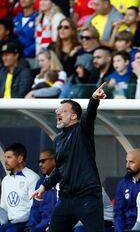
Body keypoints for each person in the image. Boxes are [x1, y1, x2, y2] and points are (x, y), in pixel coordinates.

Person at [31, 83, 108, 232]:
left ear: (74, 116)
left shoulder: (82, 130)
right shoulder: (59, 139)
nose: (58, 114)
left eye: (63, 111)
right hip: (66, 198)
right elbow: (60, 169)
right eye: (57, 111)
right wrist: (44, 186)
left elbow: (89, 116)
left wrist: (94, 99)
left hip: (88, 196)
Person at [0, 143, 40, 232]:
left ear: (20, 158)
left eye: (9, 157)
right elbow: (3, 207)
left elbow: (35, 207)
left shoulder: (32, 178)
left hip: (25, 223)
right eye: (5, 157)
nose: (5, 161)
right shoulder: (5, 180)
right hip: (9, 223)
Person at [114, 148, 140, 232]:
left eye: (131, 162)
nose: (127, 165)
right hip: (127, 228)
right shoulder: (122, 184)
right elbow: (118, 213)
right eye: (127, 161)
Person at [27, 149, 57, 232]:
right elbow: (35, 208)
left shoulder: (64, 182)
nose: (40, 164)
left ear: (54, 160)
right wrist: (31, 227)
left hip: (59, 225)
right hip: (41, 226)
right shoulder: (40, 183)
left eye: (43, 161)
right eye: (39, 162)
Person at [13, 0, 38, 66]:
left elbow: (38, 41)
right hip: (16, 59)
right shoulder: (16, 18)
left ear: (34, 0)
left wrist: (24, 52)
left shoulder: (38, 18)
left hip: (32, 58)